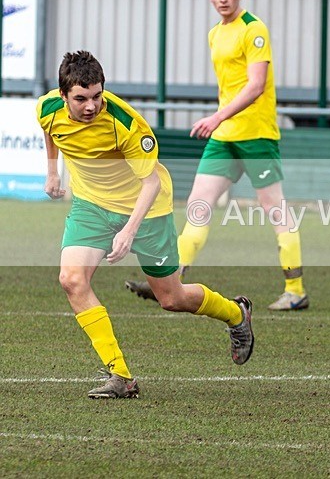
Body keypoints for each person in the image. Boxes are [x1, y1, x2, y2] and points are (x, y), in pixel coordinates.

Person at [39, 51, 255, 399]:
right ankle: (120, 376)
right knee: (71, 279)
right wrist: (52, 172)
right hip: (92, 207)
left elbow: (151, 182)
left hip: (147, 210)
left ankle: (236, 313)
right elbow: (50, 131)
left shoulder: (126, 124)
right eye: (81, 99)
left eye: (97, 96)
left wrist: (128, 231)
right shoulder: (47, 108)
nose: (91, 106)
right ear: (63, 95)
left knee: (171, 298)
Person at [125, 0, 307, 310]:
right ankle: (172, 282)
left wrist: (217, 115)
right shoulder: (215, 34)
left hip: (256, 135)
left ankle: (296, 290)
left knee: (275, 209)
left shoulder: (254, 29)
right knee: (198, 205)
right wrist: (221, 120)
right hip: (224, 136)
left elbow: (256, 85)